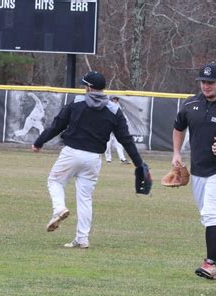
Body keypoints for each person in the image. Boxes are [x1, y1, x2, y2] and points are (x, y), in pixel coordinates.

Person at [31, 71, 148, 249]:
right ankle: (82, 238)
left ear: (89, 87)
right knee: (85, 198)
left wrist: (39, 142)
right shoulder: (114, 110)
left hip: (71, 153)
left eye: (85, 85)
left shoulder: (77, 103)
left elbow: (57, 125)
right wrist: (139, 163)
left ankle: (59, 209)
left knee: (54, 181)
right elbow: (126, 139)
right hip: (94, 159)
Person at [172, 63, 216, 279]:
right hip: (198, 169)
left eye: (211, 82)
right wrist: (176, 154)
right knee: (209, 217)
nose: (206, 86)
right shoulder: (191, 103)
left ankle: (209, 262)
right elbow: (178, 128)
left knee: (211, 213)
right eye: (203, 82)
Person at [104, 96, 131, 164]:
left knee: (119, 145)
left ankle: (122, 159)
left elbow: (125, 119)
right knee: (107, 146)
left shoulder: (119, 109)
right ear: (111, 100)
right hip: (109, 131)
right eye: (114, 99)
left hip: (116, 131)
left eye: (116, 100)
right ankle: (108, 159)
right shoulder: (107, 109)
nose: (115, 101)